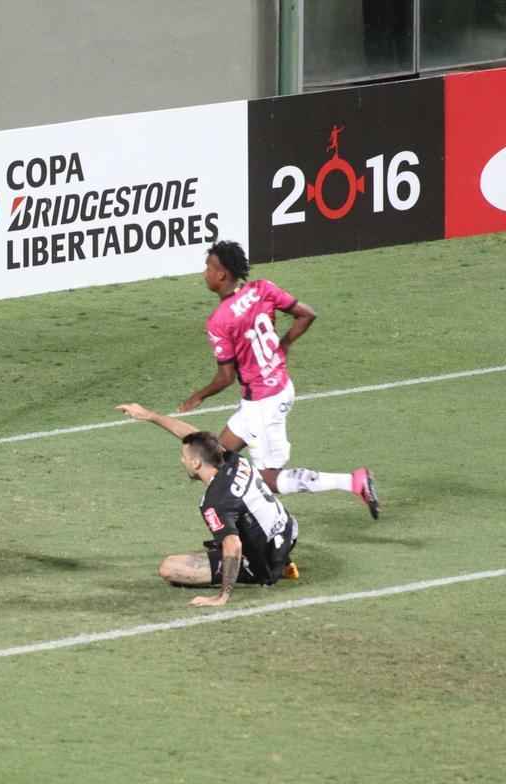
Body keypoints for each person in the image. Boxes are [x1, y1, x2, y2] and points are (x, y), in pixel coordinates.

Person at [178, 240, 379, 519]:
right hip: (271, 391)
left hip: (265, 403)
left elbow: (226, 377)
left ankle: (353, 482)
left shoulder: (220, 321)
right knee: (217, 457)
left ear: (222, 274)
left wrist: (198, 395)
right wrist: (283, 345)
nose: (204, 274)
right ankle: (236, 519)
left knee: (269, 479)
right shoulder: (263, 288)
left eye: (208, 268)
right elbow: (306, 314)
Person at [117, 403, 299, 607]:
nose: (182, 460)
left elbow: (233, 546)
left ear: (196, 463)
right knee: (234, 529)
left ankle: (272, 569)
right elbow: (196, 437)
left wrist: (222, 596)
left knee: (169, 568)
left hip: (266, 561)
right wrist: (151, 416)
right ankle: (283, 560)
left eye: (184, 458)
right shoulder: (231, 459)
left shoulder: (215, 502)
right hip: (288, 531)